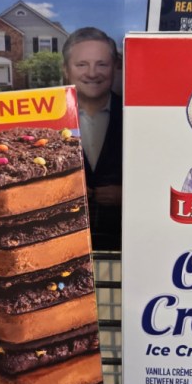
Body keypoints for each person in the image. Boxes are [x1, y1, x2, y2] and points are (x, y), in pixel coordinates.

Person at [62, 27, 122, 250]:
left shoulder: (134, 116)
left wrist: (126, 195)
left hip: (122, 246)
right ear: (66, 70)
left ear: (114, 68)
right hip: (64, 246)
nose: (92, 72)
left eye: (102, 64)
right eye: (82, 65)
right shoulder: (46, 122)